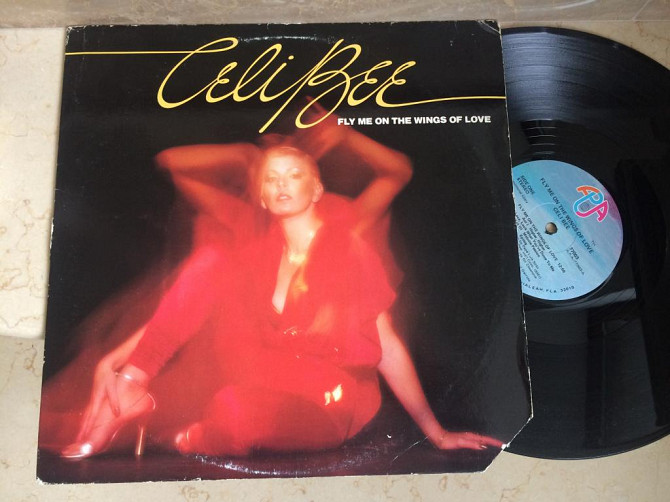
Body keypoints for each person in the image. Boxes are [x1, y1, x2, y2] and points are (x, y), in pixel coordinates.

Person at [44, 113, 502, 459]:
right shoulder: (254, 255)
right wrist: (120, 361)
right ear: (262, 195)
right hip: (263, 378)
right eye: (271, 178)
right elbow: (186, 301)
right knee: (212, 262)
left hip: (329, 400)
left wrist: (436, 432)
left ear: (316, 189)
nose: (282, 184)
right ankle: (133, 391)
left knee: (234, 410)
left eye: (295, 175)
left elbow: (387, 347)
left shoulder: (347, 247)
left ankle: (197, 434)